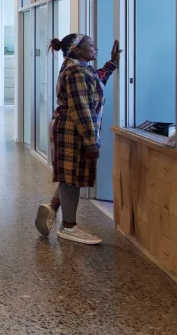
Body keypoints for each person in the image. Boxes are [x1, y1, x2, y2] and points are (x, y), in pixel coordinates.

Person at [35, 33, 121, 245]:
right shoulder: (76, 72)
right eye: (90, 45)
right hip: (72, 129)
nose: (95, 48)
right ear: (76, 50)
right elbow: (82, 107)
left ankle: (53, 208)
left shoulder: (77, 68)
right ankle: (69, 227)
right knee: (72, 176)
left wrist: (112, 64)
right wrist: (91, 141)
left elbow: (96, 81)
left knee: (69, 173)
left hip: (69, 127)